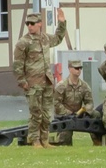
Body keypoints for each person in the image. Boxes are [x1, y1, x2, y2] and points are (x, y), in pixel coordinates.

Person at [12, 8, 67, 149]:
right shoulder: (23, 42)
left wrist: (61, 23)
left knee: (47, 113)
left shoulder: (45, 39)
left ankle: (45, 139)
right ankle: (35, 140)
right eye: (28, 23)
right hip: (32, 83)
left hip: (47, 81)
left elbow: (58, 38)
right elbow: (18, 64)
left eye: (32, 23)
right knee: (35, 113)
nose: (30, 26)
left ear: (40, 24)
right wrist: (22, 81)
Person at [52, 59, 101, 146]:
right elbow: (57, 104)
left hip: (79, 114)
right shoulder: (62, 86)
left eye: (80, 68)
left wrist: (85, 110)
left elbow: (89, 102)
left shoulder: (84, 86)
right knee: (65, 143)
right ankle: (64, 142)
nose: (79, 70)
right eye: (76, 68)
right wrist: (68, 113)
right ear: (70, 69)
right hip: (64, 116)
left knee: (96, 114)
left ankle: (98, 140)